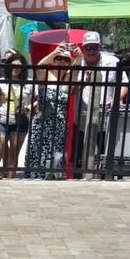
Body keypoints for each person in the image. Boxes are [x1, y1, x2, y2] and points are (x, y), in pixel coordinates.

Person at [77, 31, 128, 178]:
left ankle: (102, 177)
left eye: (94, 47)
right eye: (88, 47)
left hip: (106, 117)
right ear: (83, 48)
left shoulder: (112, 62)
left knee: (104, 152)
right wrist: (83, 83)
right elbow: (71, 90)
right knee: (82, 153)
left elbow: (124, 83)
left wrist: (117, 98)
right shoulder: (77, 63)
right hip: (82, 118)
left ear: (100, 46)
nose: (91, 51)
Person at [26, 44, 80, 179]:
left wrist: (79, 57)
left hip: (59, 125)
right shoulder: (46, 76)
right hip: (42, 124)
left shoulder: (67, 80)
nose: (61, 61)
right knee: (38, 154)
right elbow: (38, 67)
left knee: (56, 155)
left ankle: (53, 178)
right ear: (53, 60)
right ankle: (35, 177)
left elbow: (77, 70)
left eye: (65, 60)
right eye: (58, 58)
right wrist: (54, 53)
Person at [0, 51, 32, 178]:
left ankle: (10, 178)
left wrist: (31, 106)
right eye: (13, 65)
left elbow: (38, 98)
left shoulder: (28, 83)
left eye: (18, 66)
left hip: (20, 120)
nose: (15, 69)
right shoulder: (1, 82)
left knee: (14, 151)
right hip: (3, 119)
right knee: (0, 148)